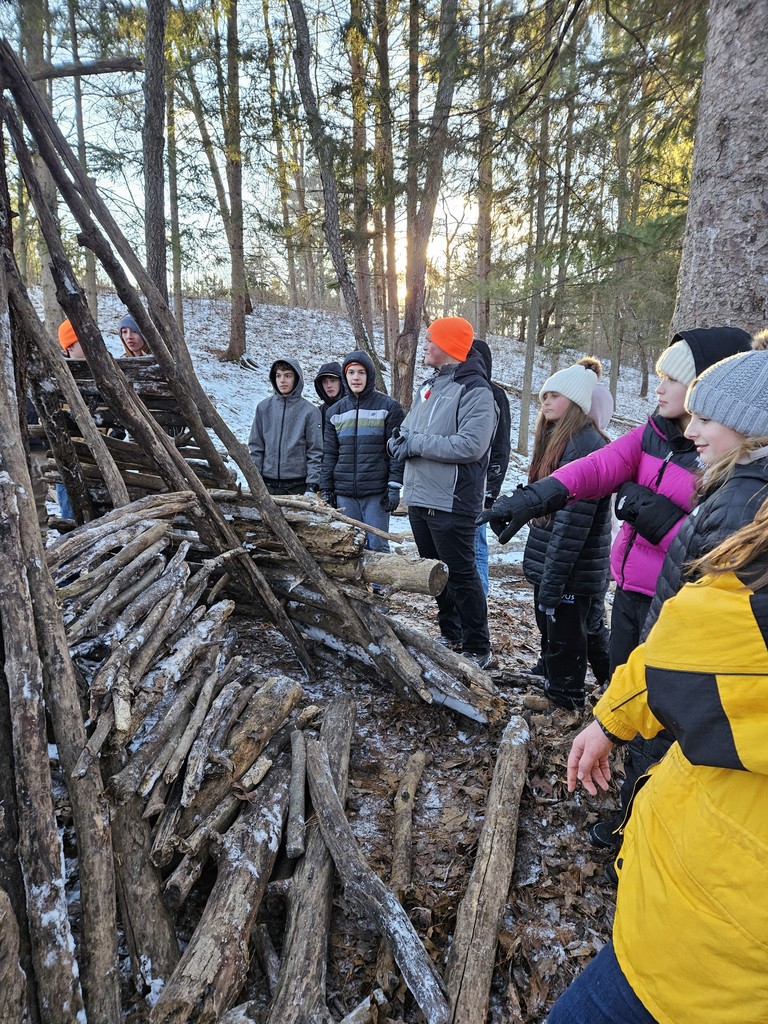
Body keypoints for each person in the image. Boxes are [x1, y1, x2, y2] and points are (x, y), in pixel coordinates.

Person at [478, 328, 753, 838]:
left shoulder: (719, 454)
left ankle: (640, 820)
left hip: (680, 605)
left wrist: (658, 517)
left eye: (675, 378)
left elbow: (722, 542)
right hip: (630, 592)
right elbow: (599, 467)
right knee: (622, 695)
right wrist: (536, 497)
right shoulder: (655, 433)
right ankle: (629, 799)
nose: (661, 388)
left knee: (663, 713)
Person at [550, 497, 768, 1024]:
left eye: (708, 416)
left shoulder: (744, 496)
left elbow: (685, 644)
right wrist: (612, 719)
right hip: (686, 908)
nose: (694, 429)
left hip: (710, 949)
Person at [387, 316, 497, 670]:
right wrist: (397, 442)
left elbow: (471, 446)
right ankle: (450, 635)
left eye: (431, 340)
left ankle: (478, 646)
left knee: (462, 575)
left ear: (448, 346)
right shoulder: (430, 387)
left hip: (452, 502)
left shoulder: (477, 391)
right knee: (438, 574)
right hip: (419, 498)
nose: (425, 346)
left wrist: (414, 443)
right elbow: (407, 429)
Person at [514, 357, 612, 710]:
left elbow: (573, 526)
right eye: (545, 395)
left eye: (555, 395)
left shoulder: (586, 447)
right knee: (558, 627)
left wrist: (553, 583)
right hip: (555, 561)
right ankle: (583, 680)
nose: (546, 401)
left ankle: (566, 698)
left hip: (574, 566)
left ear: (576, 403)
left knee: (571, 633)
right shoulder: (557, 439)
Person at [319, 351, 404, 552]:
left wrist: (394, 487)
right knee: (350, 546)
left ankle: (379, 585)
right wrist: (326, 489)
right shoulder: (335, 412)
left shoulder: (389, 407)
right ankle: (356, 585)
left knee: (377, 544)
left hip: (376, 492)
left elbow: (396, 453)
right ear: (345, 377)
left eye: (361, 373)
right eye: (351, 373)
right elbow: (330, 454)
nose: (356, 378)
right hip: (345, 492)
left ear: (370, 376)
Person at [248, 357, 322, 496]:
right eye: (278, 375)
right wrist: (254, 480)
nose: (282, 380)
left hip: (297, 486)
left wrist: (312, 485)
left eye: (287, 375)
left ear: (297, 378)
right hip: (267, 485)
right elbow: (256, 447)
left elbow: (315, 451)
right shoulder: (264, 408)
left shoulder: (310, 411)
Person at [472, 339, 511, 596]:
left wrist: (490, 492)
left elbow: (501, 447)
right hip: (455, 486)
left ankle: (480, 597)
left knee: (476, 545)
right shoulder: (460, 392)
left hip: (480, 485)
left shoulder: (495, 395)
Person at [314, 361, 344, 434]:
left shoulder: (353, 408)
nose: (329, 385)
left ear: (341, 382)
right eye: (325, 382)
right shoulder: (319, 412)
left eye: (333, 381)